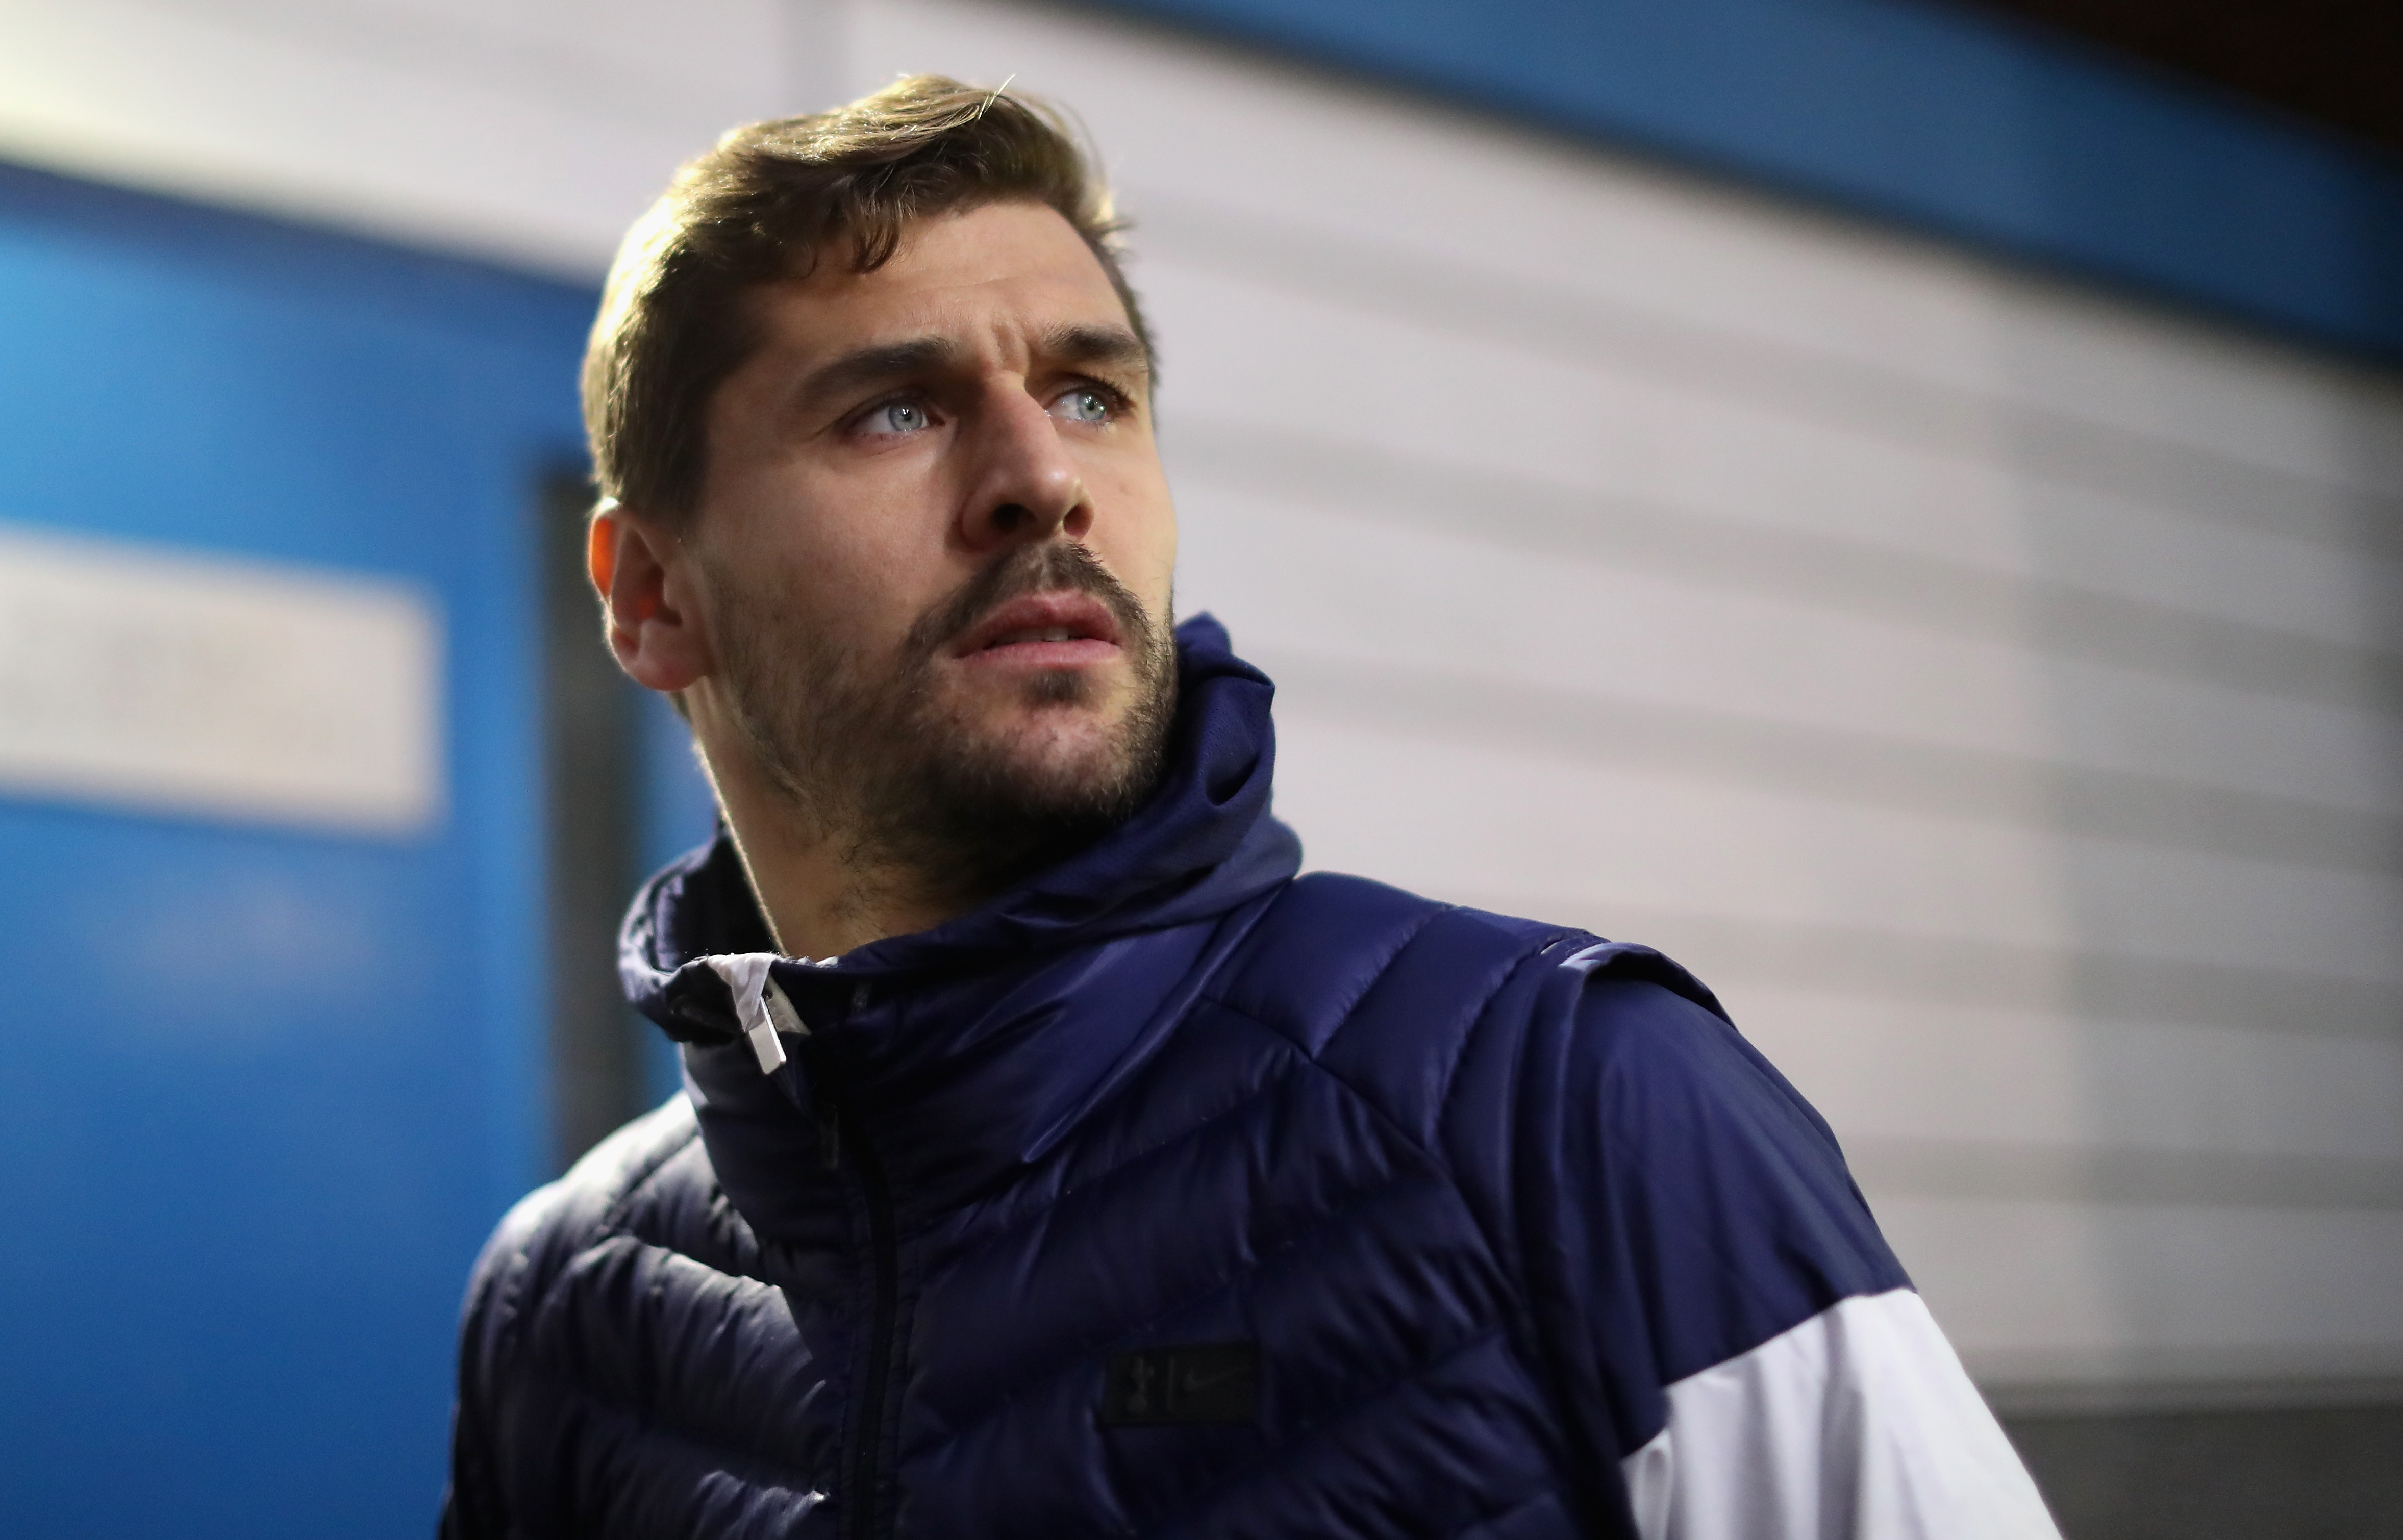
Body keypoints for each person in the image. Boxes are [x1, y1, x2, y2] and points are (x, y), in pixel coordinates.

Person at [440, 75, 2059, 1540]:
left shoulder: (1569, 1102)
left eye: (1091, 394)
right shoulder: (566, 1308)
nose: (1040, 476)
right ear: (653, 595)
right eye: (900, 410)